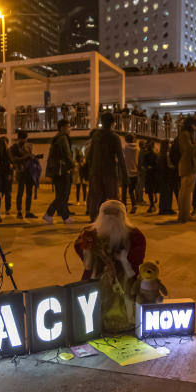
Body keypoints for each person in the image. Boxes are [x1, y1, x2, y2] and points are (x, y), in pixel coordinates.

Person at [72, 200, 146, 333]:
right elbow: (80, 248)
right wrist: (90, 252)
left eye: (115, 215)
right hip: (97, 279)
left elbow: (137, 259)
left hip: (124, 282)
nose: (111, 219)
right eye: (107, 214)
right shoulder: (90, 234)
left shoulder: (134, 235)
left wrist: (121, 259)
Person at [84, 113, 127, 222]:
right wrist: (125, 175)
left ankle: (94, 219)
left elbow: (89, 155)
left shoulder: (95, 135)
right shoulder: (114, 137)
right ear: (113, 123)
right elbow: (120, 157)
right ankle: (113, 220)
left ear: (101, 122)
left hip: (95, 171)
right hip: (109, 172)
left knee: (96, 197)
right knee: (112, 198)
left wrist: (90, 170)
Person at [43, 119, 74, 224]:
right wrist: (73, 165)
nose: (70, 129)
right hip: (62, 170)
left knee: (61, 195)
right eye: (68, 127)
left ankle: (63, 216)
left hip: (57, 171)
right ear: (62, 128)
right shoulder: (63, 138)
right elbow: (67, 154)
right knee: (63, 195)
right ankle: (49, 214)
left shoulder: (56, 139)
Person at [176, 116, 196, 222]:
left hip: (189, 166)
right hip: (188, 166)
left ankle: (185, 214)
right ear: (191, 124)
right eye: (195, 125)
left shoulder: (186, 134)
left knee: (186, 192)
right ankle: (183, 216)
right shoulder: (185, 134)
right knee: (186, 192)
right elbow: (189, 150)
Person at [8, 130, 37, 219]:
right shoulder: (13, 148)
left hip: (29, 172)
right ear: (19, 138)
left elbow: (30, 157)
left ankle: (27, 212)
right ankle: (19, 212)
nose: (24, 141)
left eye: (25, 139)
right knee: (20, 193)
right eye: (22, 139)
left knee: (29, 193)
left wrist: (33, 156)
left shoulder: (28, 146)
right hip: (20, 171)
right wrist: (27, 156)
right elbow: (14, 159)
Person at [156, 140, 177, 215]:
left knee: (163, 194)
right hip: (167, 176)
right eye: (169, 144)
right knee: (168, 193)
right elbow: (169, 166)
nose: (170, 145)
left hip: (162, 177)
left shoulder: (160, 155)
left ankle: (162, 209)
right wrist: (174, 167)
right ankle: (167, 208)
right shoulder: (167, 155)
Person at [139, 140, 158, 213]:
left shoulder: (146, 155)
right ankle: (153, 203)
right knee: (153, 189)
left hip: (148, 174)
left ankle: (152, 204)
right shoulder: (155, 155)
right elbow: (157, 165)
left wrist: (146, 168)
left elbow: (143, 165)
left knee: (150, 191)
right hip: (154, 175)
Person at [121, 134, 138, 213]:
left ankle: (124, 207)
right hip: (135, 172)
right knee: (131, 191)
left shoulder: (125, 148)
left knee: (124, 191)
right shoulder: (137, 148)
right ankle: (134, 204)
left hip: (126, 172)